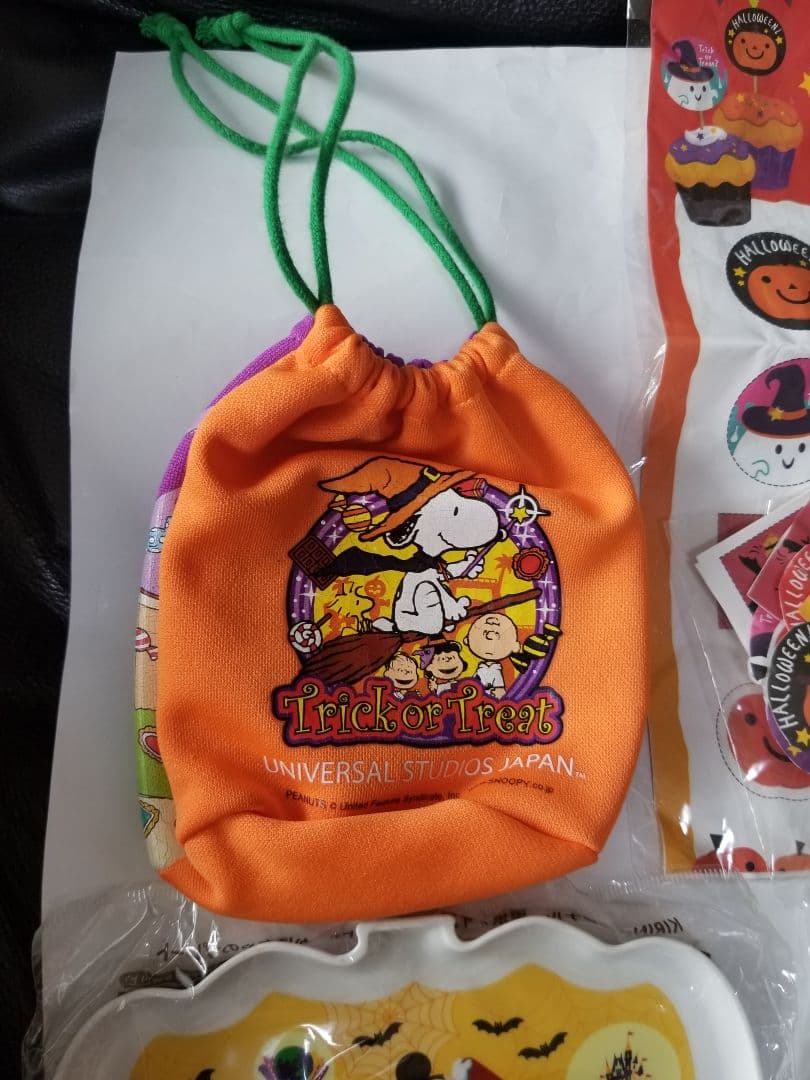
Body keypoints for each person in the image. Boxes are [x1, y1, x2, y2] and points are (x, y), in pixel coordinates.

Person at [465, 613, 521, 699]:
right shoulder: (481, 667)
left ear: (515, 646)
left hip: (490, 699)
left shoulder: (495, 669)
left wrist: (499, 692)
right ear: (467, 640)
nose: (490, 637)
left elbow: (499, 687)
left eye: (497, 635)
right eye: (485, 633)